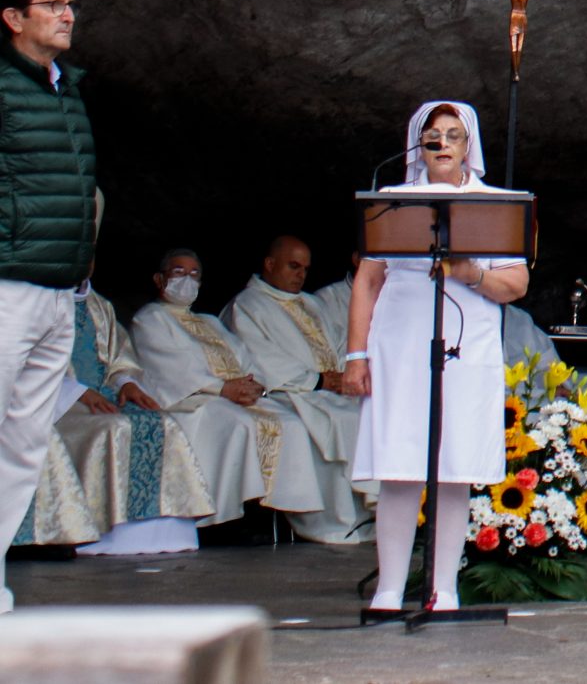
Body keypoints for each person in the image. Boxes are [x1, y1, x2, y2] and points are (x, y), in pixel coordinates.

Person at [346, 101, 532, 616]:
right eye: (433, 135)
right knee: (400, 464)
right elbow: (368, 280)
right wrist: (356, 355)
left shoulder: (496, 204)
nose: (443, 143)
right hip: (400, 344)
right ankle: (388, 590)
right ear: (418, 144)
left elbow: (516, 283)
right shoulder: (392, 201)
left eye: (454, 134)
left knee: (454, 466)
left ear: (469, 145)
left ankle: (443, 589)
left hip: (465, 347)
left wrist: (470, 273)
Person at [0, 0, 97, 614]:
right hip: (7, 285)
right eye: (52, 4)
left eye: (70, 4)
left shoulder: (68, 88)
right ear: (14, 17)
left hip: (59, 291)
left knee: (24, 443)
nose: (67, 15)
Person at [132, 248, 348, 537]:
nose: (187, 280)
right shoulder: (150, 318)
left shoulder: (209, 321)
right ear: (159, 279)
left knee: (292, 424)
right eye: (179, 272)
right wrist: (222, 388)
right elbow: (171, 368)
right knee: (240, 424)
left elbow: (244, 355)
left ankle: (274, 516)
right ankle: (226, 519)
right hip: (193, 399)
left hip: (235, 396)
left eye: (194, 274)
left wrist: (254, 384)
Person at [16, 273, 215, 555]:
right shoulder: (35, 303)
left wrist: (127, 383)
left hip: (106, 395)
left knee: (164, 423)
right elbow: (26, 362)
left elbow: (120, 356)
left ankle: (165, 535)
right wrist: (79, 392)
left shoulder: (100, 306)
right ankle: (101, 533)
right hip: (60, 402)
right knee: (113, 428)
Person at [222, 236, 368, 513]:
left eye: (305, 269)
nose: (301, 274)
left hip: (331, 390)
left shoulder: (312, 303)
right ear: (269, 264)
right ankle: (336, 518)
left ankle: (368, 514)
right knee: (344, 419)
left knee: (369, 412)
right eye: (293, 266)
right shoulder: (247, 305)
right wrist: (318, 381)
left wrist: (342, 373)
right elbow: (260, 358)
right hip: (289, 392)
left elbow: (340, 343)